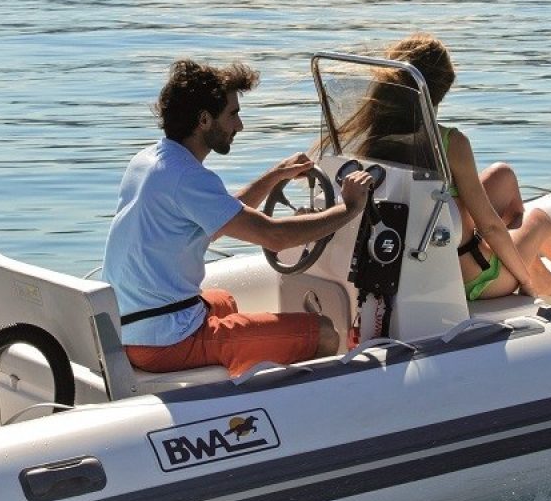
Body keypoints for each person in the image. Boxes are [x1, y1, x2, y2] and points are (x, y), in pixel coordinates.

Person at [103, 58, 372, 377]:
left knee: (225, 302)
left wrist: (274, 176)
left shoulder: (150, 161)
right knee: (325, 333)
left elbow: (221, 216)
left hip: (135, 326)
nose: (240, 126)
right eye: (233, 114)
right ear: (204, 120)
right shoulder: (187, 177)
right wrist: (348, 208)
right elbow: (275, 237)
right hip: (167, 340)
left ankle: (246, 371)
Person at [349, 34, 551, 302]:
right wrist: (524, 281)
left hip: (419, 267)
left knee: (502, 176)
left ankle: (541, 271)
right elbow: (490, 227)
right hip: (476, 280)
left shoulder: (370, 139)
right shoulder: (450, 143)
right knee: (538, 220)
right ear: (442, 89)